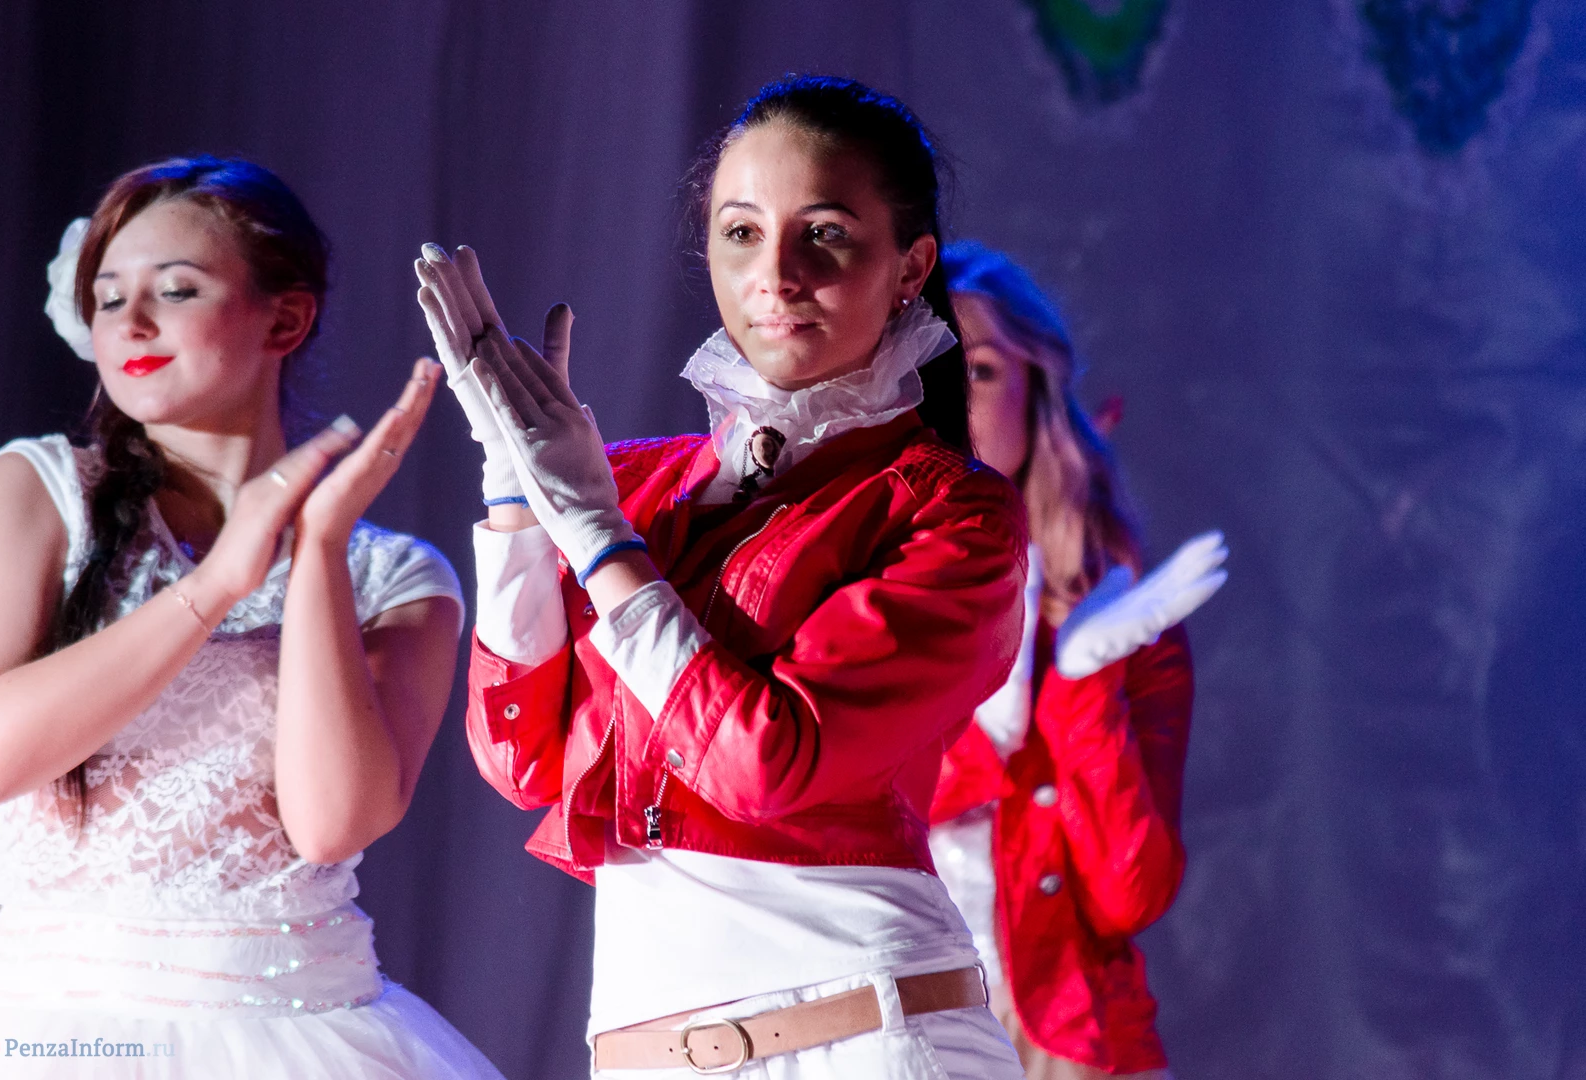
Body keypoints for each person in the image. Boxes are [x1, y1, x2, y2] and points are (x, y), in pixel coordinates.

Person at [423, 76, 1031, 1077]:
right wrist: (515, 499)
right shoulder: (630, 486)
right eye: (741, 232)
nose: (776, 274)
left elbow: (767, 766)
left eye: (825, 234)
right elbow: (523, 760)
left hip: (865, 1041)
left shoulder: (949, 511)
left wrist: (597, 537)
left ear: (910, 266)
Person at [0, 157, 503, 1078]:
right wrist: (215, 585)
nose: (130, 322)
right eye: (107, 297)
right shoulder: (38, 488)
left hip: (300, 1032)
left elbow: (333, 824)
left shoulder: (396, 577)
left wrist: (317, 548)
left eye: (175, 290)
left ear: (284, 320)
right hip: (55, 1034)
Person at [927, 241, 1226, 1079]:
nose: (947, 396)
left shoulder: (1125, 622)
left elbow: (1132, 895)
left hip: (1065, 1048)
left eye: (979, 370)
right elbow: (826, 818)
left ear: (1036, 392)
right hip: (884, 1034)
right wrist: (994, 729)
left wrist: (1081, 687)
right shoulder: (834, 588)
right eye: (925, 368)